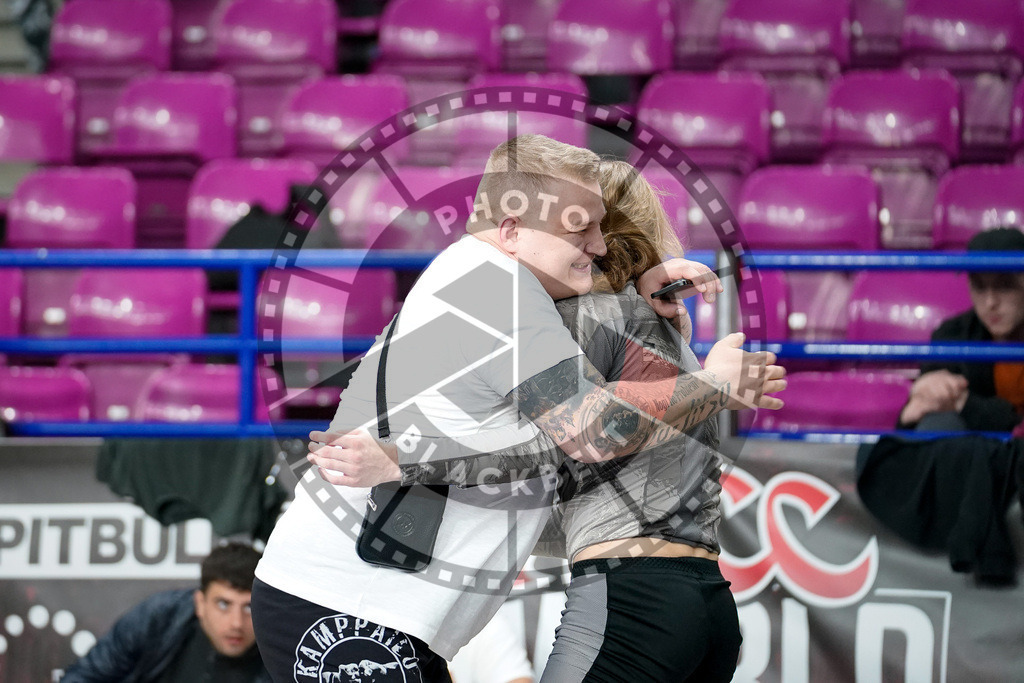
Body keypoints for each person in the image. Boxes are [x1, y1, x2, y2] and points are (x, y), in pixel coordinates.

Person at [253, 135, 783, 682]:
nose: (598, 247)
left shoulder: (493, 287)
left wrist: (632, 288)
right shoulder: (498, 291)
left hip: (372, 600)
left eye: (604, 232)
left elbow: (548, 485)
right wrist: (715, 382)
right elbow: (591, 432)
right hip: (347, 600)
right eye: (581, 230)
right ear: (510, 230)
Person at [61, 542, 270, 683]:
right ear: (200, 603)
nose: (236, 623)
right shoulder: (160, 618)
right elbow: (83, 677)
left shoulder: (285, 643)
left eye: (249, 607)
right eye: (223, 604)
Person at [898, 226, 1024, 433]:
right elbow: (922, 415)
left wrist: (965, 403)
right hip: (975, 459)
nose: (990, 302)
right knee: (936, 425)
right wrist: (908, 416)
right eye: (979, 287)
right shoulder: (952, 335)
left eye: (1005, 286)